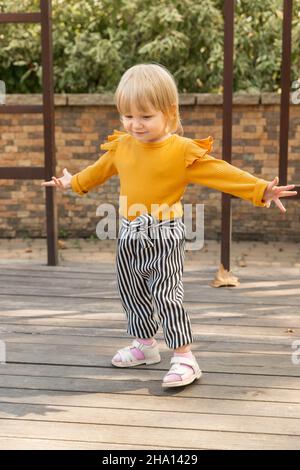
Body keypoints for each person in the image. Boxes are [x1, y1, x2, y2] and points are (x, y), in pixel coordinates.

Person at [41, 63, 297, 389]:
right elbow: (95, 172)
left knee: (165, 295)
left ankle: (185, 357)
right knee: (132, 291)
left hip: (164, 234)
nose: (135, 124)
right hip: (128, 234)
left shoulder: (181, 151)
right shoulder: (122, 146)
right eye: (128, 116)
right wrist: (70, 182)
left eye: (145, 117)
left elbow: (224, 173)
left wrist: (262, 189)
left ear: (169, 113)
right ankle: (145, 346)